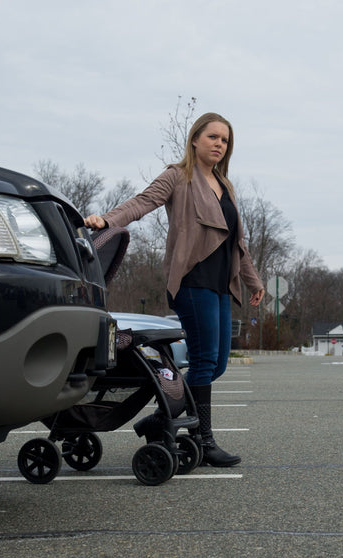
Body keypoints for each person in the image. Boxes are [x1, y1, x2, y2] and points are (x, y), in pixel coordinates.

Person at [84, 112, 265, 467]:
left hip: (220, 285)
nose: (219, 144)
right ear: (195, 139)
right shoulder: (177, 177)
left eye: (225, 140)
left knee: (217, 365)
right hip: (192, 280)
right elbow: (142, 202)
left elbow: (237, 242)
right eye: (213, 137)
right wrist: (107, 220)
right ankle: (204, 439)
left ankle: (160, 416)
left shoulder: (225, 186)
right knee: (203, 361)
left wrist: (252, 280)